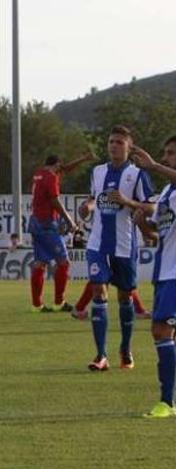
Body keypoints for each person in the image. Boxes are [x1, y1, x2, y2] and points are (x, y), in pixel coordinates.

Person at [79, 125, 153, 371]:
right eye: (111, 141)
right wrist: (88, 207)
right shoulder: (98, 171)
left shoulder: (137, 174)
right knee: (99, 291)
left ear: (129, 146)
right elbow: (93, 197)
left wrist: (126, 201)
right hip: (97, 245)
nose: (114, 146)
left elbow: (150, 207)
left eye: (119, 142)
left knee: (124, 297)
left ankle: (125, 349)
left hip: (124, 246)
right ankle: (101, 355)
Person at [130, 137, 176, 418]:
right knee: (165, 333)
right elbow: (159, 235)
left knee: (161, 330)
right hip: (163, 272)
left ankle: (166, 402)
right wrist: (142, 224)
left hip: (175, 275)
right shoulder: (167, 193)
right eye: (166, 153)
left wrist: (154, 166)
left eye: (172, 153)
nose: (167, 156)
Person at [28, 152, 94, 312]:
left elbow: (66, 168)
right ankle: (59, 302)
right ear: (57, 165)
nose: (62, 171)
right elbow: (55, 201)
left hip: (35, 222)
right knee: (63, 262)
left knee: (40, 262)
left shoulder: (39, 174)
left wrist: (83, 158)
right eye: (60, 167)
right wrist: (70, 221)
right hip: (46, 224)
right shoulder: (51, 177)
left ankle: (37, 305)